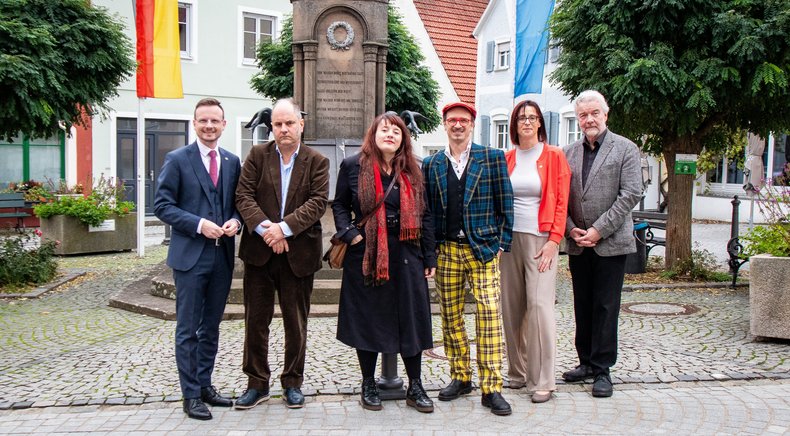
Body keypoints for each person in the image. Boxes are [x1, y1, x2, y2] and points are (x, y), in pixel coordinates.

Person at [332, 112, 437, 413]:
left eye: (396, 131)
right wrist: (350, 234)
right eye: (384, 129)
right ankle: (368, 383)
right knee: (369, 318)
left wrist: (429, 255)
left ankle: (415, 385)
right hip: (367, 251)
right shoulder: (353, 166)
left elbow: (426, 215)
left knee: (412, 318)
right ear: (373, 134)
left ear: (403, 138)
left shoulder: (414, 170)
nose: (390, 134)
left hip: (407, 253)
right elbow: (339, 204)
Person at [234, 98, 329, 410]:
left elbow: (317, 203)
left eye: (289, 123)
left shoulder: (317, 160)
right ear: (271, 127)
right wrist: (266, 230)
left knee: (296, 322)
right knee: (255, 321)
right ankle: (256, 383)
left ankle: (292, 382)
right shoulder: (257, 155)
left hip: (298, 253)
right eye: (278, 124)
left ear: (301, 124)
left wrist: (284, 229)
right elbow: (243, 195)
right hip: (259, 253)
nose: (284, 129)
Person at [422, 102, 514, 416]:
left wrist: (503, 242)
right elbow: (429, 212)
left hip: (484, 248)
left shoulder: (492, 158)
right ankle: (461, 376)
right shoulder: (431, 163)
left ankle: (492, 388)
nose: (457, 125)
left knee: (489, 313)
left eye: (463, 120)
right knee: (450, 314)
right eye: (452, 120)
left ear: (471, 125)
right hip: (446, 249)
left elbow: (506, 203)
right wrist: (429, 249)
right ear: (445, 124)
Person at [154, 98, 241, 420]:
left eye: (214, 121)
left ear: (223, 125)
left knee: (211, 327)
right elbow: (162, 206)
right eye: (203, 120)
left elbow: (236, 203)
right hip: (189, 257)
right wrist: (198, 224)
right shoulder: (177, 159)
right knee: (188, 328)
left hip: (221, 258)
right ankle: (190, 395)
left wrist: (236, 221)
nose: (209, 126)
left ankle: (205, 385)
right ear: (194, 123)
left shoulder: (232, 161)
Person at [561, 90, 643, 397]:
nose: (589, 119)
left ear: (605, 114)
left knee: (606, 306)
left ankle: (602, 368)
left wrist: (598, 229)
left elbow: (631, 194)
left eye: (594, 113)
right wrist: (571, 230)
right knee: (582, 304)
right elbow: (561, 198)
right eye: (583, 115)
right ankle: (585, 361)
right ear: (578, 119)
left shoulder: (625, 148)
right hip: (578, 243)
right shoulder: (567, 152)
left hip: (610, 243)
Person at [500, 100, 570, 404]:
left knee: (540, 308)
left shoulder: (554, 156)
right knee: (512, 308)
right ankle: (517, 372)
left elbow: (561, 202)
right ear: (514, 125)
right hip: (509, 241)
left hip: (541, 240)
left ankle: (544, 380)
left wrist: (555, 240)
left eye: (533, 118)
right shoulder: (507, 158)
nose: (527, 122)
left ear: (540, 123)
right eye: (521, 118)